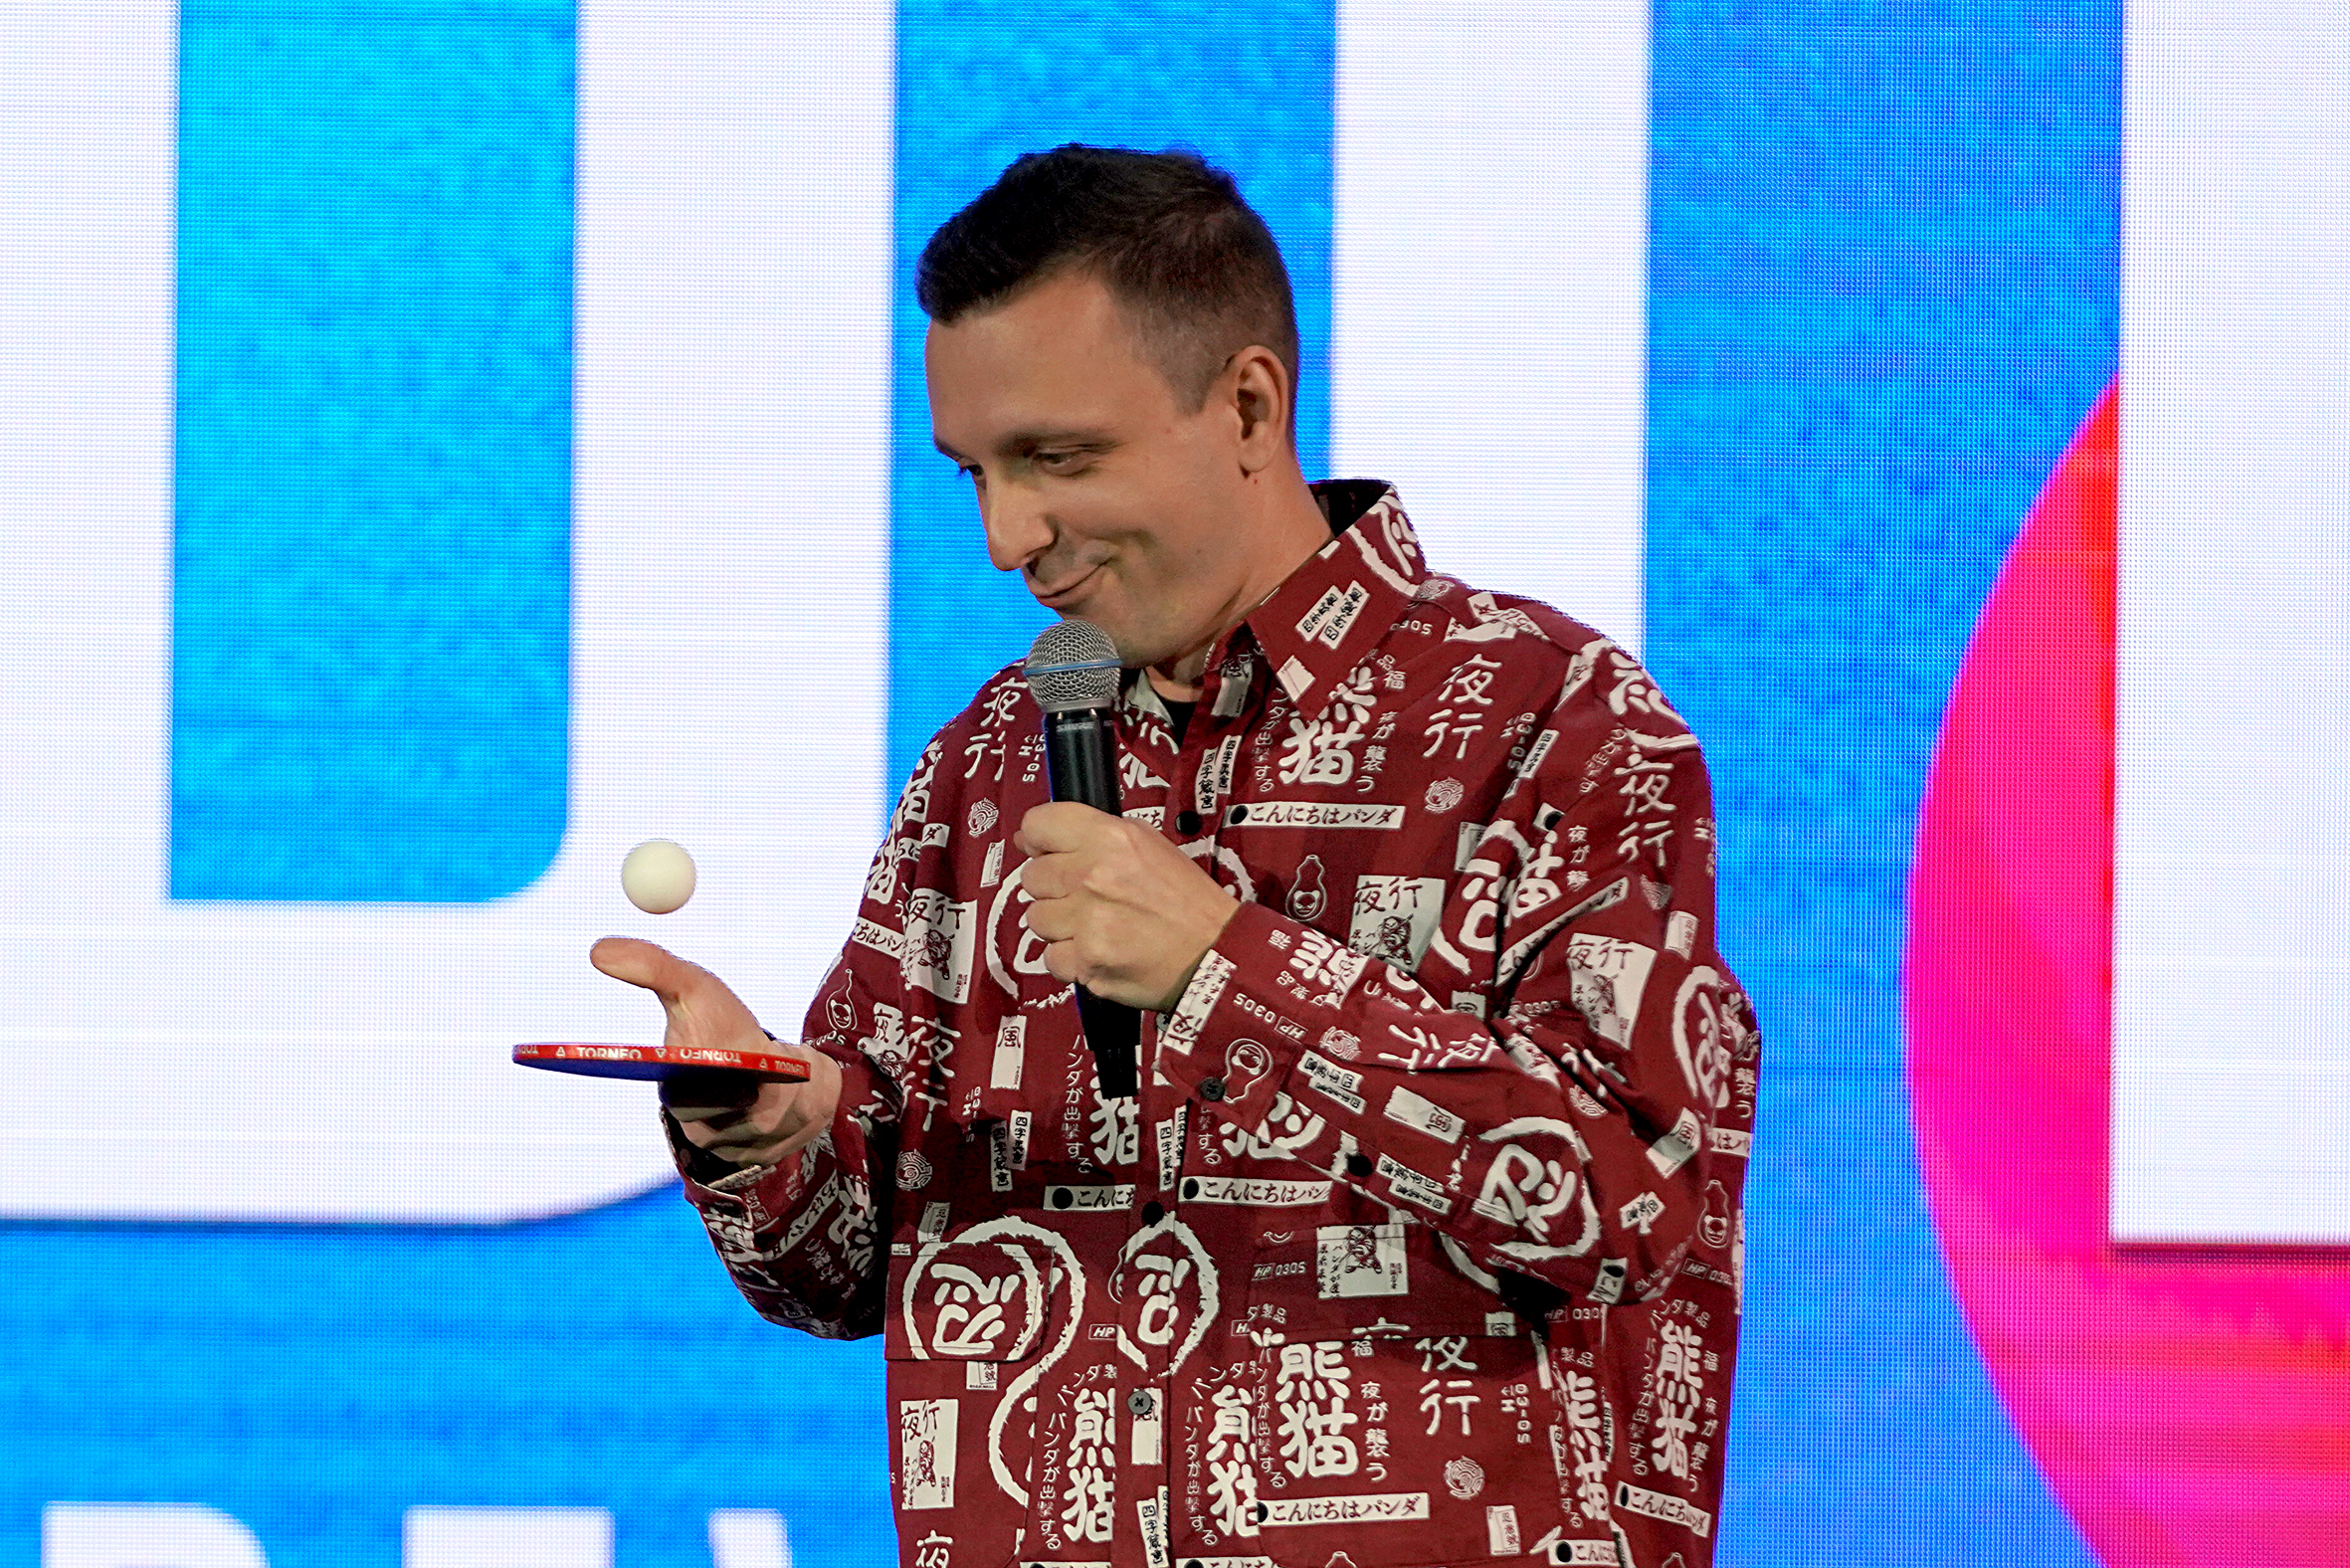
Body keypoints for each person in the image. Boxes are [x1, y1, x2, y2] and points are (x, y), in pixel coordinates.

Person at [592, 144, 1759, 1568]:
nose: (1007, 538)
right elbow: (841, 1277)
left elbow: (1633, 1211)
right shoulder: (987, 759)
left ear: (1249, 406)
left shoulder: (1553, 718)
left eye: (1058, 459)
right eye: (974, 473)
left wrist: (1226, 968)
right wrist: (772, 1129)